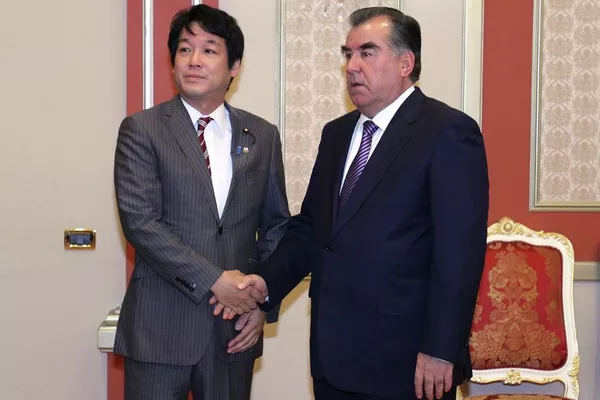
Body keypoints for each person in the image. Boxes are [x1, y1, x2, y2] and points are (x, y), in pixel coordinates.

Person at [231, 6, 489, 400]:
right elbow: (313, 229)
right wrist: (265, 284)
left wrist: (441, 349)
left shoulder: (447, 132)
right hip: (333, 357)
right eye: (348, 54)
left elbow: (459, 255)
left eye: (367, 52)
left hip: (408, 363)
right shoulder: (337, 134)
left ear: (405, 63)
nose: (351, 66)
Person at [112, 4, 289, 399]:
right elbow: (141, 223)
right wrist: (214, 280)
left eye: (209, 50)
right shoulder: (142, 129)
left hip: (234, 329)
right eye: (184, 49)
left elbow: (277, 225)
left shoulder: (262, 135)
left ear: (234, 66)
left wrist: (262, 302)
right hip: (160, 328)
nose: (194, 60)